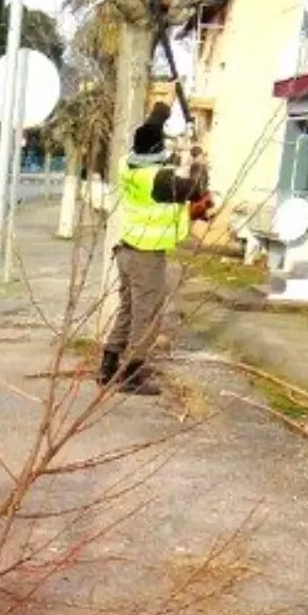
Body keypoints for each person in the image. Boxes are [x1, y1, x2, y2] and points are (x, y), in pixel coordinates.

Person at [98, 104, 205, 397]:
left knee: (128, 309)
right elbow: (196, 188)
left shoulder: (126, 165)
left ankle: (108, 366)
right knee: (146, 314)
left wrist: (162, 110)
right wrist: (197, 158)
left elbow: (147, 132)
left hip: (127, 250)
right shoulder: (159, 180)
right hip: (147, 255)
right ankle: (131, 374)